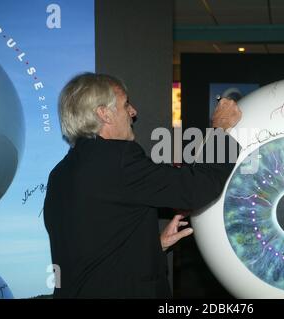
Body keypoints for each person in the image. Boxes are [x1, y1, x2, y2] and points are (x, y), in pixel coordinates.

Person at [43, 73, 242, 298]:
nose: (133, 112)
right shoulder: (117, 160)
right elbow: (196, 188)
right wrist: (219, 130)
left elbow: (93, 252)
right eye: (125, 104)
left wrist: (154, 246)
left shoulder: (60, 173)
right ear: (104, 113)